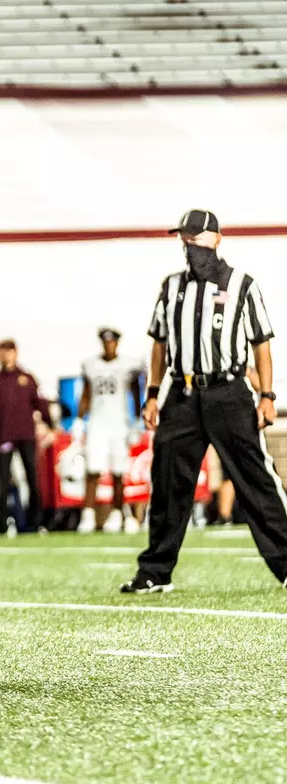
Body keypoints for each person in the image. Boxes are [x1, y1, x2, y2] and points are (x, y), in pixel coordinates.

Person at [125, 209, 287, 593]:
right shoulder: (171, 287)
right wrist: (152, 395)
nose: (188, 246)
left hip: (229, 392)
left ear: (215, 239)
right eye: (185, 238)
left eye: (195, 238)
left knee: (254, 480)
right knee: (167, 483)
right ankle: (155, 572)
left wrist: (267, 394)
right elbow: (159, 345)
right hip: (181, 394)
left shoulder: (242, 284)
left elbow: (260, 342)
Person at [0, 339, 52, 534]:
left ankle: (36, 522)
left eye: (10, 351)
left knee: (32, 478)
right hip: (4, 436)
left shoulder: (26, 378)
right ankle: (3, 523)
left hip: (26, 434)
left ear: (16, 353)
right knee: (3, 481)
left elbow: (40, 403)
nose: (7, 355)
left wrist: (50, 423)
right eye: (4, 351)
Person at [77, 327, 144, 534]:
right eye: (105, 341)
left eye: (112, 341)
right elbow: (87, 393)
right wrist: (80, 420)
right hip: (98, 422)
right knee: (93, 469)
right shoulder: (91, 365)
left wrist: (136, 421)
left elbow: (136, 391)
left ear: (117, 342)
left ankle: (117, 513)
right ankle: (87, 514)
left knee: (118, 471)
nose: (109, 345)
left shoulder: (128, 365)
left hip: (120, 423)